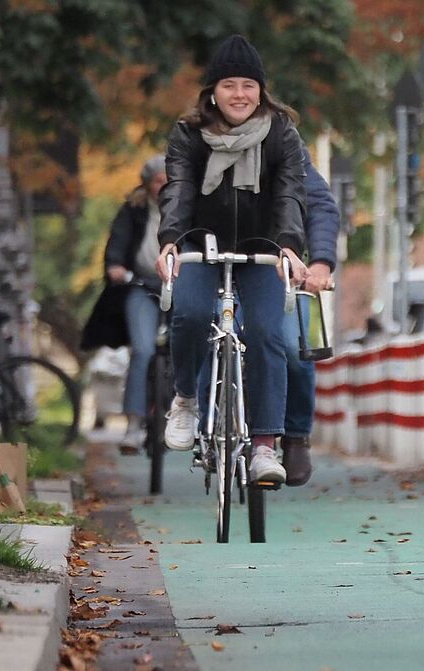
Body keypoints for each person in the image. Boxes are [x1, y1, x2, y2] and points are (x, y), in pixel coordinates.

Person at [155, 34, 309, 484]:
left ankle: (264, 444)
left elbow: (290, 193)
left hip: (263, 249)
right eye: (229, 85)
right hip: (201, 244)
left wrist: (288, 245)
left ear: (260, 91)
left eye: (248, 85)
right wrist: (170, 240)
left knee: (268, 333)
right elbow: (179, 189)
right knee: (189, 313)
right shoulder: (188, 134)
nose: (239, 94)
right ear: (212, 92)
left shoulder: (282, 133)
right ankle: (186, 399)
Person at [87, 156, 167, 451]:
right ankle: (133, 425)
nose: (165, 187)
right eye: (158, 181)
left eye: (170, 181)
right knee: (142, 349)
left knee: (190, 344)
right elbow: (117, 242)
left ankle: (187, 414)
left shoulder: (188, 206)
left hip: (180, 286)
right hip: (141, 285)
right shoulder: (133, 209)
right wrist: (115, 265)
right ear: (147, 185)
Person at [279, 151, 339, 486]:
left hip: (283, 269)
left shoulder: (286, 145)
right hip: (222, 262)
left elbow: (320, 206)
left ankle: (296, 435)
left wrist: (320, 262)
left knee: (294, 348)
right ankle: (204, 418)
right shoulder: (201, 139)